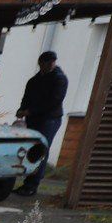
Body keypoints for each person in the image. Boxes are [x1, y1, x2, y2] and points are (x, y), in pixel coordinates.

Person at [12, 51, 67, 197]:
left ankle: (32, 185)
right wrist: (22, 109)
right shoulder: (34, 81)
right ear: (40, 64)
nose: (50, 64)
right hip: (33, 119)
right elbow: (27, 97)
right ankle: (27, 183)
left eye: (52, 62)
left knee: (41, 150)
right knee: (31, 150)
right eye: (47, 62)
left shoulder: (59, 80)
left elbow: (54, 102)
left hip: (50, 119)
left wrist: (30, 111)